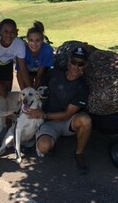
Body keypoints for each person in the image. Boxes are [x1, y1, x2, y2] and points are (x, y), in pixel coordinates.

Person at [27, 46, 92, 175]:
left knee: (86, 120)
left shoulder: (83, 86)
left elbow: (68, 114)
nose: (76, 67)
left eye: (80, 64)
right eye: (74, 62)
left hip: (67, 121)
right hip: (49, 122)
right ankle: (49, 142)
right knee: (44, 147)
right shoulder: (54, 74)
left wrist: (43, 115)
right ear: (69, 62)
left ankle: (79, 154)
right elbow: (37, 89)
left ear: (85, 66)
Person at [0, 18, 31, 143]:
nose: (9, 35)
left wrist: (30, 87)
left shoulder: (19, 44)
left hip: (6, 66)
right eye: (5, 31)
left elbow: (22, 67)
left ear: (16, 32)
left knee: (6, 96)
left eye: (12, 32)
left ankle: (8, 126)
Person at [16, 21, 54, 90]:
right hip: (26, 71)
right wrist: (26, 89)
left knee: (41, 85)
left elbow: (40, 72)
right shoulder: (23, 50)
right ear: (27, 40)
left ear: (42, 40)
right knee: (24, 81)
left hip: (41, 71)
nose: (34, 44)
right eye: (31, 40)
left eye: (37, 40)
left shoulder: (47, 50)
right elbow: (20, 71)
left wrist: (35, 88)